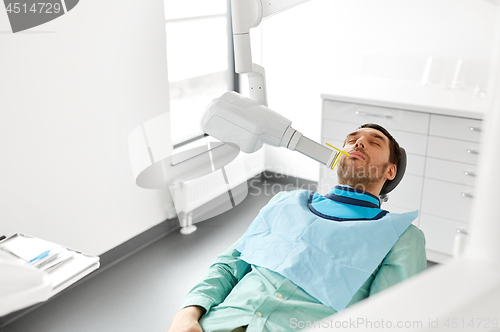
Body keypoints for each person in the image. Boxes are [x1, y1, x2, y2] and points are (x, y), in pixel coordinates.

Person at [168, 123, 427, 332]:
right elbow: (230, 265)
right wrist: (186, 315)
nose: (358, 143)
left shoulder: (401, 237)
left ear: (390, 171)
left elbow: (386, 321)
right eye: (352, 139)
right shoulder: (286, 202)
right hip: (216, 324)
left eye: (374, 142)